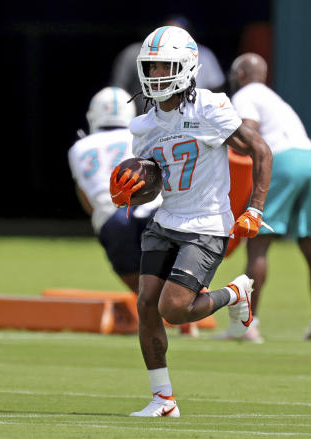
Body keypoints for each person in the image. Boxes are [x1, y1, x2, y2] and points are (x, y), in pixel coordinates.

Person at [109, 26, 272, 417]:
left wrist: (254, 208)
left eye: (165, 65)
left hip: (206, 224)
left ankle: (235, 294)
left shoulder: (210, 108)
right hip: (167, 219)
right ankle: (163, 399)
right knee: (147, 303)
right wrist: (135, 189)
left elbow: (260, 151)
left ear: (186, 66)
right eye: (150, 67)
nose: (156, 75)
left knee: (175, 309)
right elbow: (157, 184)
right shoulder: (144, 126)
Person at [223, 52, 311, 343]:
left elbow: (249, 135)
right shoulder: (275, 99)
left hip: (281, 162)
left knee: (257, 245)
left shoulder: (244, 96)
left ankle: (249, 326)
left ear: (241, 75)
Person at [68, 86, 161, 294]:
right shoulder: (143, 136)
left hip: (112, 217)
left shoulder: (79, 148)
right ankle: (185, 316)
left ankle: (155, 312)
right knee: (174, 272)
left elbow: (87, 200)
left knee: (139, 287)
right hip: (151, 209)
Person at [111, 15, 226, 115]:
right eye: (153, 67)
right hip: (148, 115)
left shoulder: (209, 105)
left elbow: (217, 86)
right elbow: (118, 87)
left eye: (167, 66)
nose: (159, 75)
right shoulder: (141, 126)